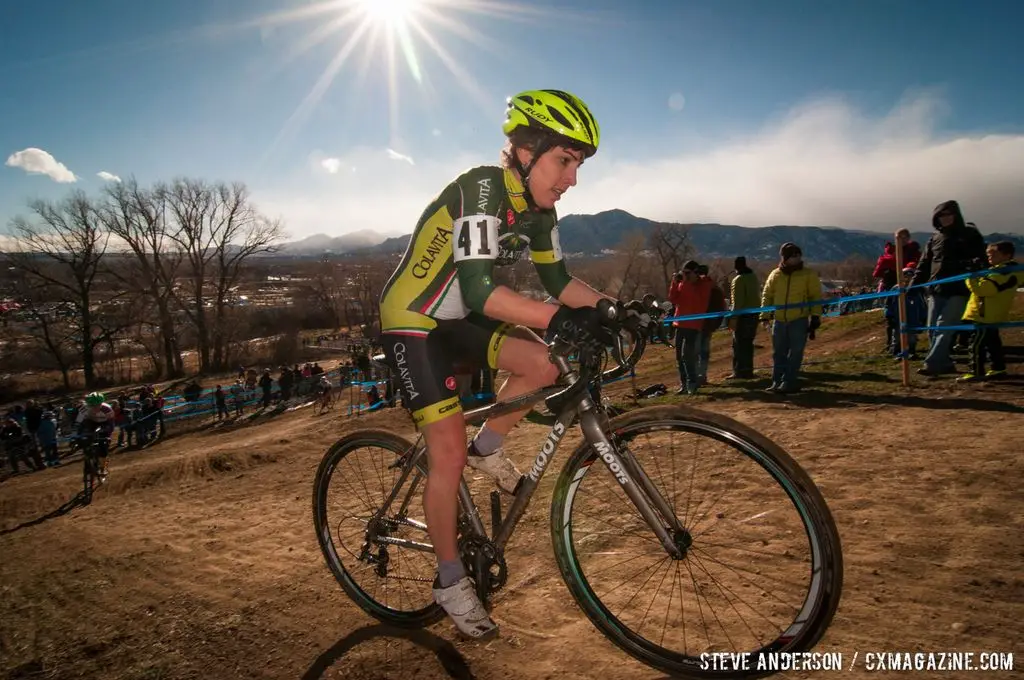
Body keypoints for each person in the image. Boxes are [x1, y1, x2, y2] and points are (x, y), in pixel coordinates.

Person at [377, 89, 614, 640]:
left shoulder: (541, 210)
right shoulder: (481, 188)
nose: (572, 178)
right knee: (447, 454)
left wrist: (610, 308)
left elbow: (558, 283)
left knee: (545, 365)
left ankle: (490, 447)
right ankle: (450, 579)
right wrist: (558, 318)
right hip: (415, 321)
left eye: (577, 164)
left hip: (458, 315)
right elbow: (483, 292)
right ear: (526, 150)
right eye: (565, 160)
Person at [910, 201, 986, 376]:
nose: (945, 219)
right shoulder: (934, 238)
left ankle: (932, 364)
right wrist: (913, 286)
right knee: (931, 328)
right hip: (936, 289)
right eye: (941, 216)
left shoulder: (970, 234)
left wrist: (970, 266)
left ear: (956, 215)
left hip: (960, 288)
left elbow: (982, 258)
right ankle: (944, 362)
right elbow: (924, 264)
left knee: (945, 326)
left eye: (948, 215)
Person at [759, 243, 823, 394]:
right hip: (780, 320)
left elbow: (815, 296)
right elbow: (767, 295)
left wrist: (815, 316)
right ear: (785, 258)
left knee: (795, 352)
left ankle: (789, 381)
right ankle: (777, 381)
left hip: (799, 319)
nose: (797, 258)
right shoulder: (775, 274)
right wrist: (764, 316)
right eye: (793, 255)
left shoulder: (808, 274)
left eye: (798, 255)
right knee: (778, 352)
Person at [959, 241, 1019, 382]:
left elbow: (984, 290)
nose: (990, 257)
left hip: (984, 314)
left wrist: (970, 277)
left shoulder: (1002, 272)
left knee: (976, 344)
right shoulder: (1002, 270)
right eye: (988, 254)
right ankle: (998, 368)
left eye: (994, 253)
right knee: (993, 343)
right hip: (990, 312)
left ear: (1007, 255)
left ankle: (976, 371)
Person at [667, 261, 711, 395]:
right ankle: (684, 384)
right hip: (680, 323)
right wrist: (674, 283)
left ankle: (692, 382)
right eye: (683, 273)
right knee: (679, 357)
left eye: (687, 273)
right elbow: (673, 299)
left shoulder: (704, 284)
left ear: (695, 273)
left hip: (693, 325)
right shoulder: (683, 284)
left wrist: (687, 282)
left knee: (688, 355)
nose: (684, 276)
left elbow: (697, 299)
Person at [727, 256, 760, 379]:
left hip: (742, 316)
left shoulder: (738, 280)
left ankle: (739, 371)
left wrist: (733, 318)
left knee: (738, 344)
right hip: (755, 313)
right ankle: (748, 370)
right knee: (748, 343)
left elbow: (737, 302)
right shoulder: (753, 277)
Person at [884, 266, 926, 359]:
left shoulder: (916, 290)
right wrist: (889, 316)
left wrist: (923, 318)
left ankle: (911, 351)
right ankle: (897, 352)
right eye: (905, 276)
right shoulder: (895, 289)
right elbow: (888, 304)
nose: (907, 278)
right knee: (897, 336)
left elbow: (922, 305)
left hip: (913, 318)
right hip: (898, 318)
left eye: (910, 276)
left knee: (911, 337)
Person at [75, 391, 116, 480]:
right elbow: (78, 424)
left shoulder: (108, 409)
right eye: (92, 405)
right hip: (90, 423)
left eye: (98, 405)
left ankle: (103, 467)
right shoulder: (83, 409)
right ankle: (87, 468)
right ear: (88, 404)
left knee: (103, 447)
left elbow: (111, 425)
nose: (95, 407)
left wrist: (107, 435)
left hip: (104, 424)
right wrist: (78, 437)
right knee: (86, 445)